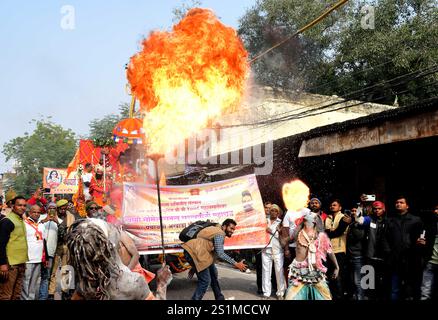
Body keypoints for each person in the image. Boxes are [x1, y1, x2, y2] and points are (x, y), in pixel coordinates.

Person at [182, 219, 248, 300]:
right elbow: (220, 253)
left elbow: (212, 251)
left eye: (233, 229)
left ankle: (219, 298)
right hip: (197, 253)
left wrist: (195, 266)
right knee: (205, 281)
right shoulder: (220, 233)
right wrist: (236, 264)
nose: (232, 231)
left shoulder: (215, 229)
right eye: (231, 228)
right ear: (224, 226)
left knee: (213, 275)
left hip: (197, 253)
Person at [285, 212, 339, 300]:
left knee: (325, 298)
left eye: (311, 215)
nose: (308, 214)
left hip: (316, 273)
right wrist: (285, 247)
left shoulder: (321, 236)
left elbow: (330, 251)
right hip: (298, 272)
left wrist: (337, 267)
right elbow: (285, 242)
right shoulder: (298, 233)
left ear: (315, 222)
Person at [383, 196, 424, 300]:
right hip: (394, 259)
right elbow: (384, 238)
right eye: (397, 202)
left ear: (407, 205)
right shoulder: (390, 220)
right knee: (394, 288)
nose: (398, 204)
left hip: (410, 259)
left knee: (410, 288)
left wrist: (419, 245)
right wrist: (388, 252)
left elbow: (421, 237)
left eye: (401, 202)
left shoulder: (415, 220)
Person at [0, 196, 29, 300]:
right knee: (6, 295)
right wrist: (3, 264)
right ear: (13, 206)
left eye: (24, 205)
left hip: (20, 263)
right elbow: (1, 244)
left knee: (16, 295)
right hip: (10, 265)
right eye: (19, 205)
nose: (22, 207)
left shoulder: (20, 220)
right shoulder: (7, 221)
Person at [47, 199, 76, 300]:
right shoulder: (51, 217)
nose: (63, 210)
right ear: (57, 209)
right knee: (53, 270)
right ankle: (51, 292)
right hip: (54, 247)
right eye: (61, 208)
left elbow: (69, 234)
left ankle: (65, 291)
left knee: (66, 269)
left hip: (66, 246)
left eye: (65, 208)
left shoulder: (71, 217)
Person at [324, 199, 352, 300]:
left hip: (339, 250)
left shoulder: (344, 217)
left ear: (340, 207)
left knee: (338, 276)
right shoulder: (327, 218)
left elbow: (338, 232)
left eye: (334, 205)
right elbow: (324, 233)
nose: (332, 206)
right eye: (331, 205)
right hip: (328, 251)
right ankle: (331, 296)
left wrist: (329, 232)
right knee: (329, 275)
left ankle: (339, 297)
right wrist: (330, 231)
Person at [365, 201, 390, 300]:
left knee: (383, 282)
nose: (377, 211)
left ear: (383, 209)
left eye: (379, 208)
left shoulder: (388, 221)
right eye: (375, 209)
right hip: (370, 256)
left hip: (383, 256)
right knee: (369, 283)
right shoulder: (369, 220)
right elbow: (359, 219)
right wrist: (362, 206)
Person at [261, 204, 286, 300]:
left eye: (276, 211)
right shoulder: (264, 221)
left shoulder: (281, 223)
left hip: (278, 250)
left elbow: (282, 238)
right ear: (269, 211)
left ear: (278, 213)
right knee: (266, 272)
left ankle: (280, 293)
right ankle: (266, 293)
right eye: (272, 210)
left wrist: (271, 230)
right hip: (265, 250)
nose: (274, 212)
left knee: (279, 272)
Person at [345, 205, 370, 300]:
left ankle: (361, 297)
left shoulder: (360, 224)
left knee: (358, 281)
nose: (353, 212)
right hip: (349, 255)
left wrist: (355, 222)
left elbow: (358, 236)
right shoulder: (351, 224)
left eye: (356, 210)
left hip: (358, 256)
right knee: (352, 280)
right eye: (352, 210)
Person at [21, 205, 45, 300]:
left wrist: (44, 258)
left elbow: (44, 242)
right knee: (25, 281)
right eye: (34, 212)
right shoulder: (24, 223)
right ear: (30, 212)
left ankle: (31, 298)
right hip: (27, 258)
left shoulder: (41, 224)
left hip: (38, 258)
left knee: (35, 282)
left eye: (38, 212)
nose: (36, 214)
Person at [38, 202, 60, 300]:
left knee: (46, 276)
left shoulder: (59, 220)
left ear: (56, 210)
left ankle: (43, 297)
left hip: (50, 253)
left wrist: (58, 223)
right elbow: (33, 227)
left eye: (54, 208)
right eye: (50, 208)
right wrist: (44, 221)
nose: (52, 210)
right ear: (46, 209)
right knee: (32, 276)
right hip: (37, 252)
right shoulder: (40, 217)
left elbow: (64, 234)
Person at [419, 204, 438, 300]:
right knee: (425, 293)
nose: (435, 211)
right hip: (430, 262)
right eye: (435, 209)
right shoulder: (430, 225)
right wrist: (422, 242)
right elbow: (423, 240)